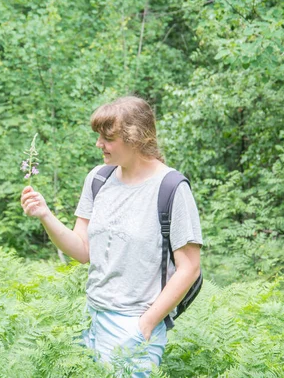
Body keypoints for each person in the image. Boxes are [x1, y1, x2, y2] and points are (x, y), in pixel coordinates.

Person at [20, 96, 202, 376]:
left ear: (136, 137)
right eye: (98, 136)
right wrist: (45, 214)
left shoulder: (171, 188)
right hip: (90, 319)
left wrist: (147, 324)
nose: (99, 144)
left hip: (133, 325)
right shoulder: (98, 179)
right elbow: (82, 251)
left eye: (108, 137)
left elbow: (189, 267)